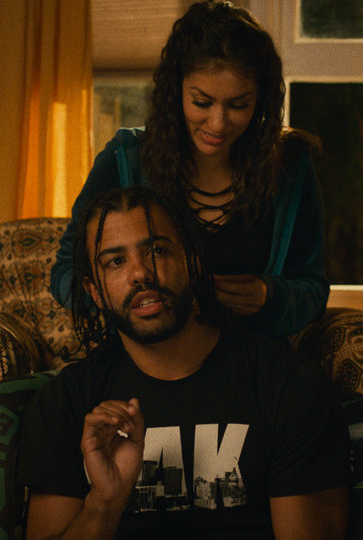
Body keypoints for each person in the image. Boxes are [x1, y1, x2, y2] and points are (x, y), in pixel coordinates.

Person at [18, 187, 349, 539]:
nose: (141, 274)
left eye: (157, 251)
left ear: (194, 262)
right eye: (116, 261)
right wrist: (104, 501)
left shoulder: (289, 386)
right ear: (95, 292)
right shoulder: (66, 404)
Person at [51, 0, 328, 339]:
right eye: (202, 102)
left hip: (251, 364)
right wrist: (126, 299)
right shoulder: (125, 160)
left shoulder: (290, 166)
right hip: (148, 363)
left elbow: (313, 288)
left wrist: (269, 296)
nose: (218, 122)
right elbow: (66, 272)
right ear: (175, 90)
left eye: (239, 105)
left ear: (262, 100)